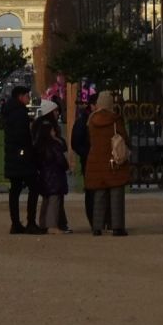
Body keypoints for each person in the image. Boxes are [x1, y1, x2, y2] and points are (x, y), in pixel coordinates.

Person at [86, 90, 131, 236]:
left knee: (99, 193)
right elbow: (123, 137)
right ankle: (117, 226)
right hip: (113, 159)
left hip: (95, 160)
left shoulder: (91, 120)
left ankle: (97, 226)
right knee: (116, 192)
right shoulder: (115, 119)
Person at [2, 85, 41, 234]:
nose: (29, 98)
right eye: (27, 95)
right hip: (22, 157)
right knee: (34, 187)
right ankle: (30, 222)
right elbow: (22, 137)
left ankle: (16, 223)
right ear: (20, 96)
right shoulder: (20, 113)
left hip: (14, 156)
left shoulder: (10, 111)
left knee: (15, 190)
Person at [32, 99, 71, 234]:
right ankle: (52, 225)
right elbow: (58, 152)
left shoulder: (38, 125)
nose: (57, 113)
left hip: (43, 167)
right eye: (55, 111)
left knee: (48, 197)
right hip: (53, 168)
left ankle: (46, 223)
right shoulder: (50, 130)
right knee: (54, 197)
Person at [70, 94, 94, 226]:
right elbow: (76, 143)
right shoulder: (83, 121)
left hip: (92, 159)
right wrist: (87, 154)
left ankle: (99, 219)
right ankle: (94, 220)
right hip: (89, 160)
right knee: (91, 191)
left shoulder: (85, 120)